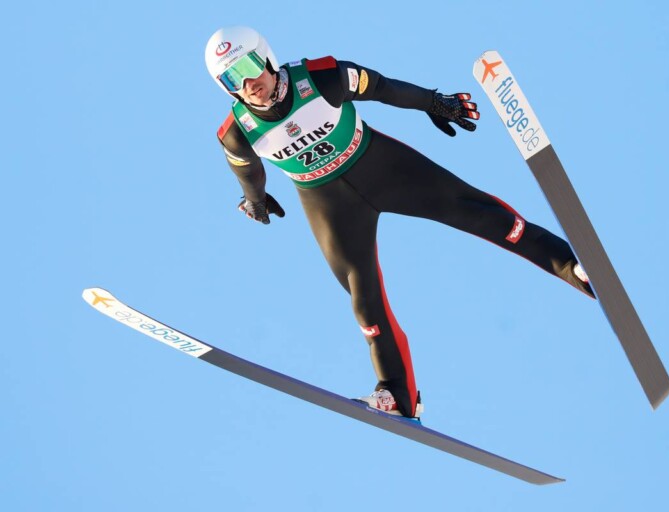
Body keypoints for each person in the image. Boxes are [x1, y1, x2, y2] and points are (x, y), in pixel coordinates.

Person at [205, 26, 593, 420]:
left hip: (380, 166)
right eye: (233, 79)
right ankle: (397, 394)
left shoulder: (322, 77)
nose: (249, 84)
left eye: (250, 67)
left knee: (473, 211)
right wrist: (255, 203)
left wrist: (435, 103)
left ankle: (570, 266)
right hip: (328, 203)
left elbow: (385, 89)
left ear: (267, 57)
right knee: (363, 299)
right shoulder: (236, 134)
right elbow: (248, 174)